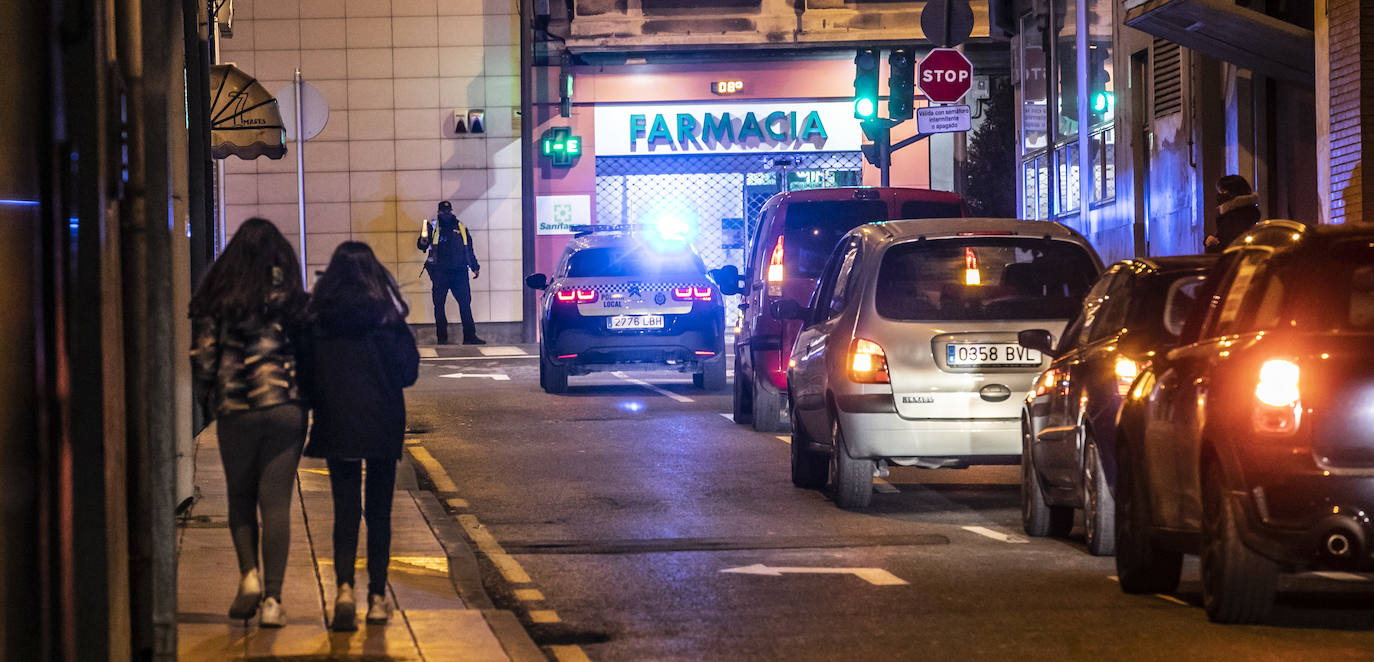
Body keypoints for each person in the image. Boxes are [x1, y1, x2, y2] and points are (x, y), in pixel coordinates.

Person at [189, 218, 310, 628]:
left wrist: (209, 397)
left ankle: (249, 577)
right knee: (276, 503)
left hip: (235, 406)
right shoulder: (290, 294)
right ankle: (274, 600)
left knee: (240, 497)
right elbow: (308, 352)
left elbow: (204, 356)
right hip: (285, 406)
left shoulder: (219, 293)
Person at [300, 241, 420, 630]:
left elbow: (306, 378)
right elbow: (408, 373)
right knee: (379, 513)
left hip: (338, 420)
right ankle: (378, 598)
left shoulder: (318, 320)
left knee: (345, 510)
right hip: (383, 421)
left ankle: (345, 591)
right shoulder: (388, 319)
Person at [417, 200, 485, 344]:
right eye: (443, 211)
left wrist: (474, 266)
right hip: (440, 273)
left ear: (451, 211)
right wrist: (423, 241)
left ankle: (470, 337)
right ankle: (442, 339)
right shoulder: (432, 227)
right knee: (440, 306)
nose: (446, 214)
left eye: (448, 211)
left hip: (459, 272)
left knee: (465, 304)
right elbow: (422, 244)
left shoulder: (460, 227)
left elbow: (468, 248)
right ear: (439, 212)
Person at [1205, 174, 1262, 252]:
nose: (1219, 194)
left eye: (1222, 191)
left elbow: (1229, 244)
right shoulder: (1240, 212)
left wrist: (1212, 245)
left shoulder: (1238, 215)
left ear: (1233, 192)